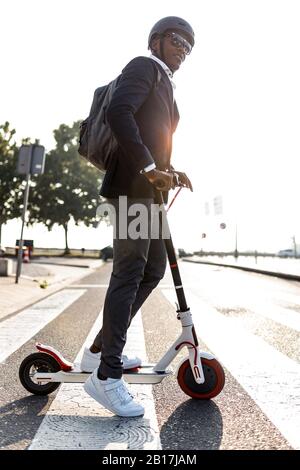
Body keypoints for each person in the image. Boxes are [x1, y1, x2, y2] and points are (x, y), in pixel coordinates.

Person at [83, 16, 194, 417]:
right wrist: (149, 167)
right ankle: (107, 376)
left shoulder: (165, 82)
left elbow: (153, 135)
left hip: (149, 192)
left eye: (189, 47)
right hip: (132, 189)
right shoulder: (144, 66)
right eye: (178, 40)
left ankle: (99, 351)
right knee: (130, 271)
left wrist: (170, 168)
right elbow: (119, 112)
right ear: (157, 41)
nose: (183, 50)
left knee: (153, 270)